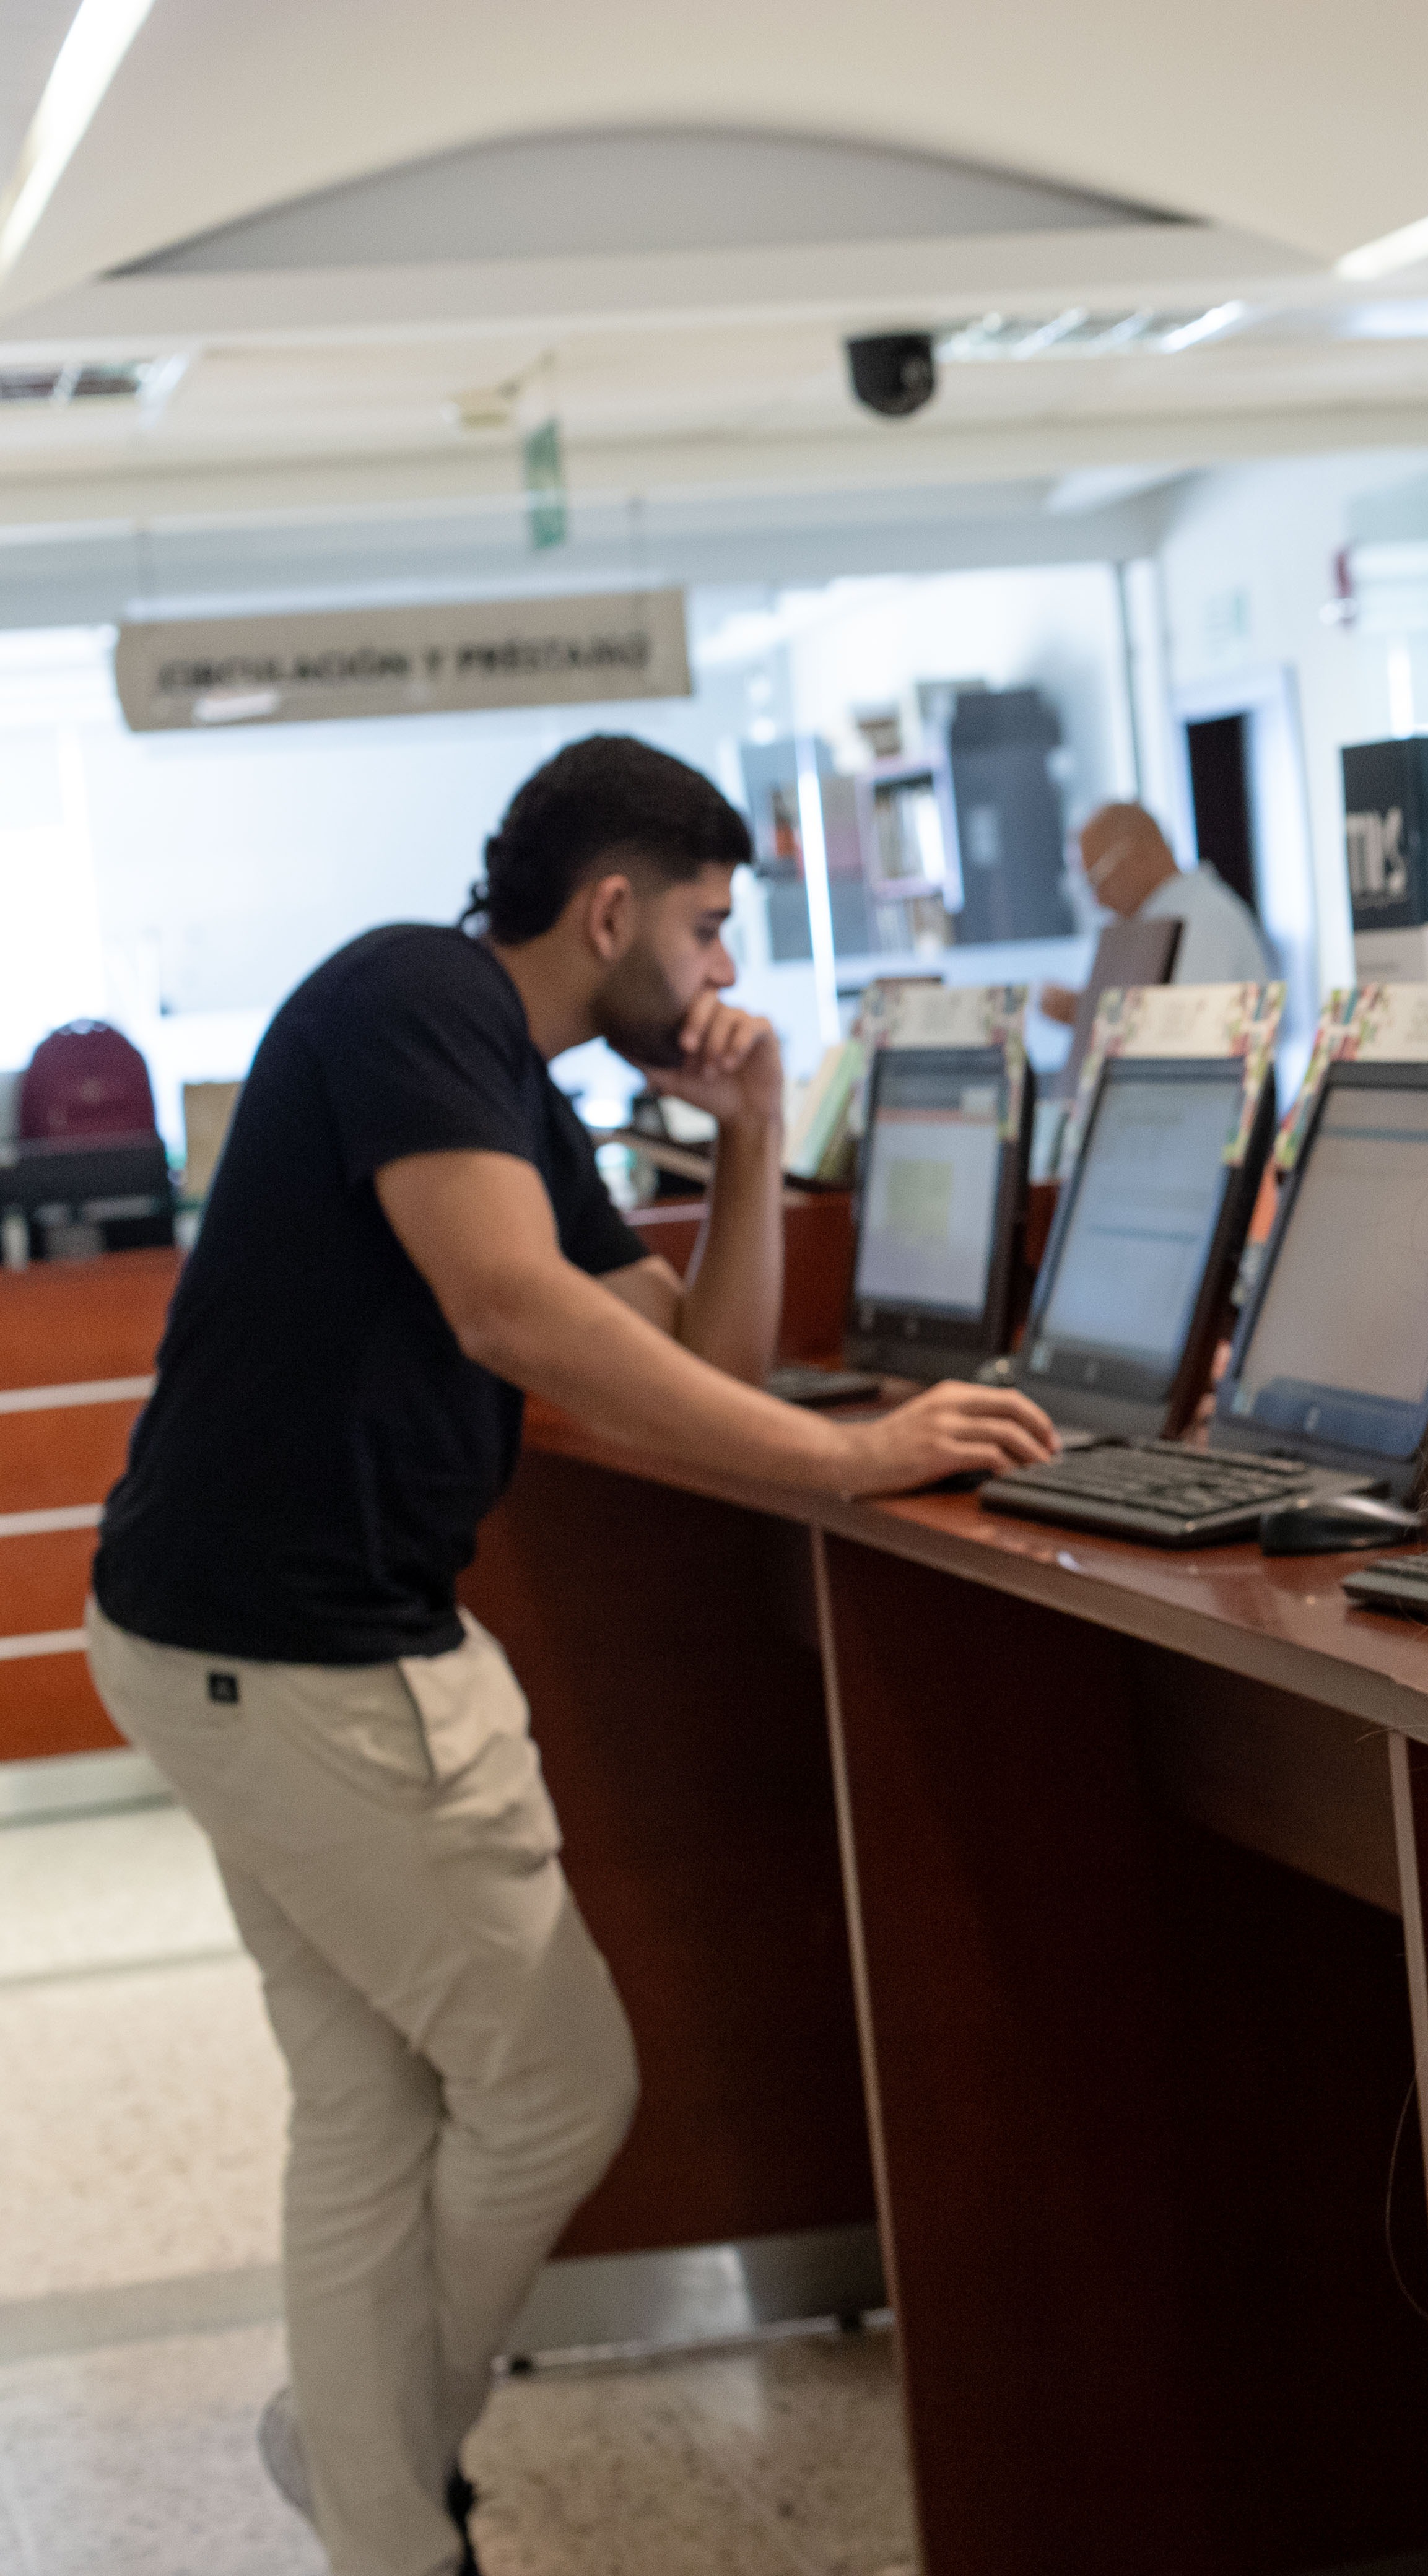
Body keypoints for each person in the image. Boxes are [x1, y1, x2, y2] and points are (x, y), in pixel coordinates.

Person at [82, 735, 1058, 2576]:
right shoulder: (414, 998)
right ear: (609, 908)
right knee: (559, 2085)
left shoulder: (505, 1079)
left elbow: (702, 1362)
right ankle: (365, 2453)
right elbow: (509, 1306)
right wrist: (852, 1456)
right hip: (290, 1658)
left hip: (229, 1637)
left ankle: (380, 2509)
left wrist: (755, 1141)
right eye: (700, 932)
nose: (711, 980)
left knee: (369, 2098)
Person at [1035, 796, 1272, 1024]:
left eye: (1097, 881)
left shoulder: (1204, 921)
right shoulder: (1168, 919)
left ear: (1137, 856)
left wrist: (1089, 1014)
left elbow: (1182, 1033)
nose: (1099, 902)